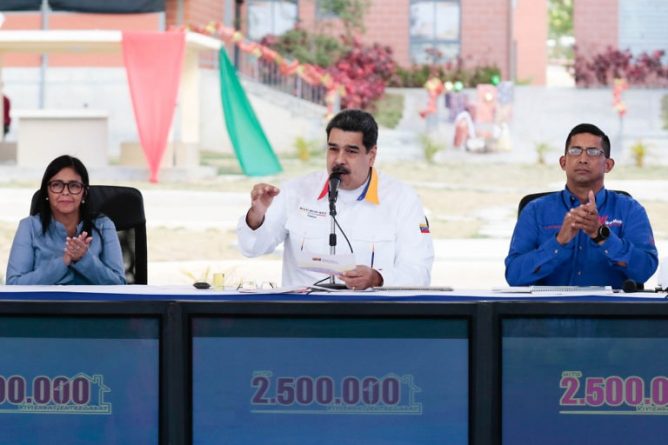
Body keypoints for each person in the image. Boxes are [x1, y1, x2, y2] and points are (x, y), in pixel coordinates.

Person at [237, 109, 434, 290]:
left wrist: (377, 278)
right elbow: (251, 248)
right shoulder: (296, 192)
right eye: (333, 149)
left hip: (370, 311)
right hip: (303, 312)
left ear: (371, 155)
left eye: (351, 151)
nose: (339, 159)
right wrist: (256, 215)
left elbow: (419, 273)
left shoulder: (402, 199)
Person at [505, 123, 658, 288]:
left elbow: (645, 270)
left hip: (608, 305)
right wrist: (558, 242)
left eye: (593, 152)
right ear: (563, 162)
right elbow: (514, 275)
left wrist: (602, 236)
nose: (583, 159)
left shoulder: (630, 210)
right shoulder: (535, 211)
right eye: (575, 151)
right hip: (551, 305)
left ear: (608, 165)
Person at [6, 155, 126, 285]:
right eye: (57, 185)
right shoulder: (29, 227)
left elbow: (119, 283)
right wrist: (64, 261)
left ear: (84, 193)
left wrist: (84, 258)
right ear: (46, 192)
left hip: (91, 299)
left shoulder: (103, 225)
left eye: (74, 186)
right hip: (46, 299)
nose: (65, 192)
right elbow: (14, 284)